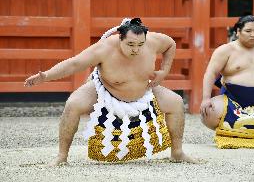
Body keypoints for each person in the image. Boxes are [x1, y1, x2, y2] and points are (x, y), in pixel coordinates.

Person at [24, 18, 199, 165]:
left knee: (176, 102)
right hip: (105, 90)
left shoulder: (153, 42)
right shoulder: (104, 49)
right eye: (130, 44)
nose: (136, 49)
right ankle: (62, 156)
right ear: (119, 38)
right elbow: (74, 63)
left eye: (140, 44)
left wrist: (164, 71)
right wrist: (46, 76)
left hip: (144, 91)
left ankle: (177, 152)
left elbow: (171, 44)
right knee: (73, 104)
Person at [200, 15, 254, 148]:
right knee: (209, 112)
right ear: (238, 32)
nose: (253, 34)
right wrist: (205, 98)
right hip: (233, 101)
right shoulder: (225, 50)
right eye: (248, 31)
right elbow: (210, 73)